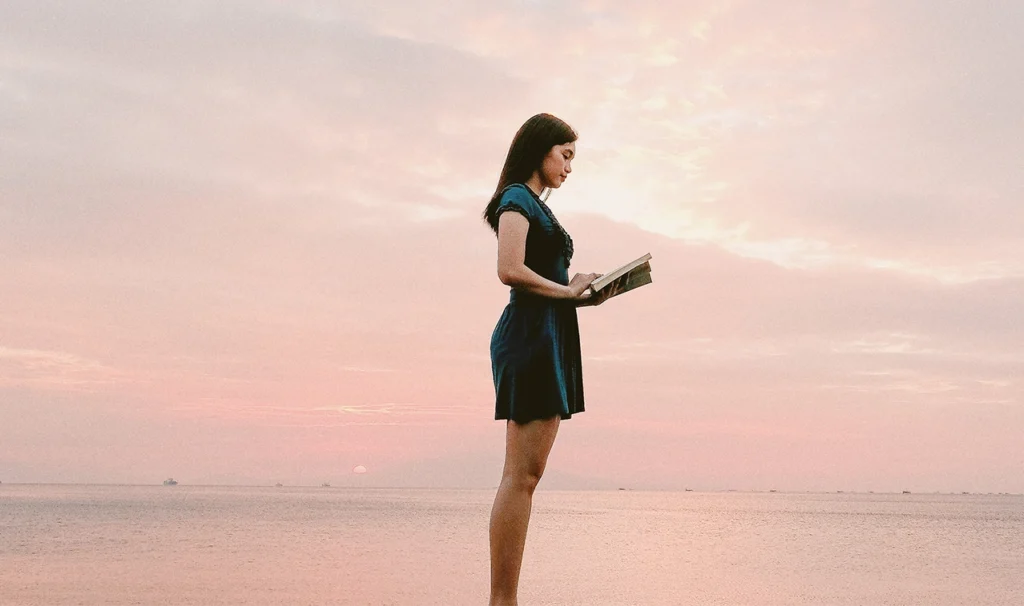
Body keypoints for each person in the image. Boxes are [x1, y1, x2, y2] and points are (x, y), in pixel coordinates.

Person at [481, 113, 619, 605]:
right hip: (530, 337)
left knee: (527, 476)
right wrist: (566, 292)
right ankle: (503, 601)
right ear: (539, 150)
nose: (569, 167)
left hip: (548, 336)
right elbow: (508, 268)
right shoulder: (517, 198)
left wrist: (581, 294)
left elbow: (538, 274)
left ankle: (505, 599)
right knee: (520, 476)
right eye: (565, 155)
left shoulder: (538, 205)